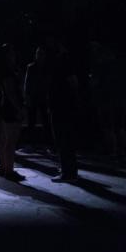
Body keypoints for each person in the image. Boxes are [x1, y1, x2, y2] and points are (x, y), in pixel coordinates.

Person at [45, 37, 80, 182]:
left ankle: (68, 172)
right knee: (65, 139)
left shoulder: (63, 61)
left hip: (61, 105)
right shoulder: (64, 60)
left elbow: (73, 82)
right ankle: (69, 170)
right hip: (62, 104)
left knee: (63, 139)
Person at [0, 43, 24, 181]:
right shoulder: (8, 73)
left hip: (5, 106)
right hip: (10, 107)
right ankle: (9, 170)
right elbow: (11, 92)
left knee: (5, 140)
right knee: (11, 141)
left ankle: (4, 167)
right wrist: (19, 108)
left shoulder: (0, 71)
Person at [23, 46, 52, 148]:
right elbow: (27, 83)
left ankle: (48, 144)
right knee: (32, 121)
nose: (39, 56)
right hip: (34, 96)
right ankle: (32, 143)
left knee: (45, 121)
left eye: (41, 54)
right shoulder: (31, 67)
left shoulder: (46, 67)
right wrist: (27, 96)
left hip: (43, 96)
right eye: (38, 54)